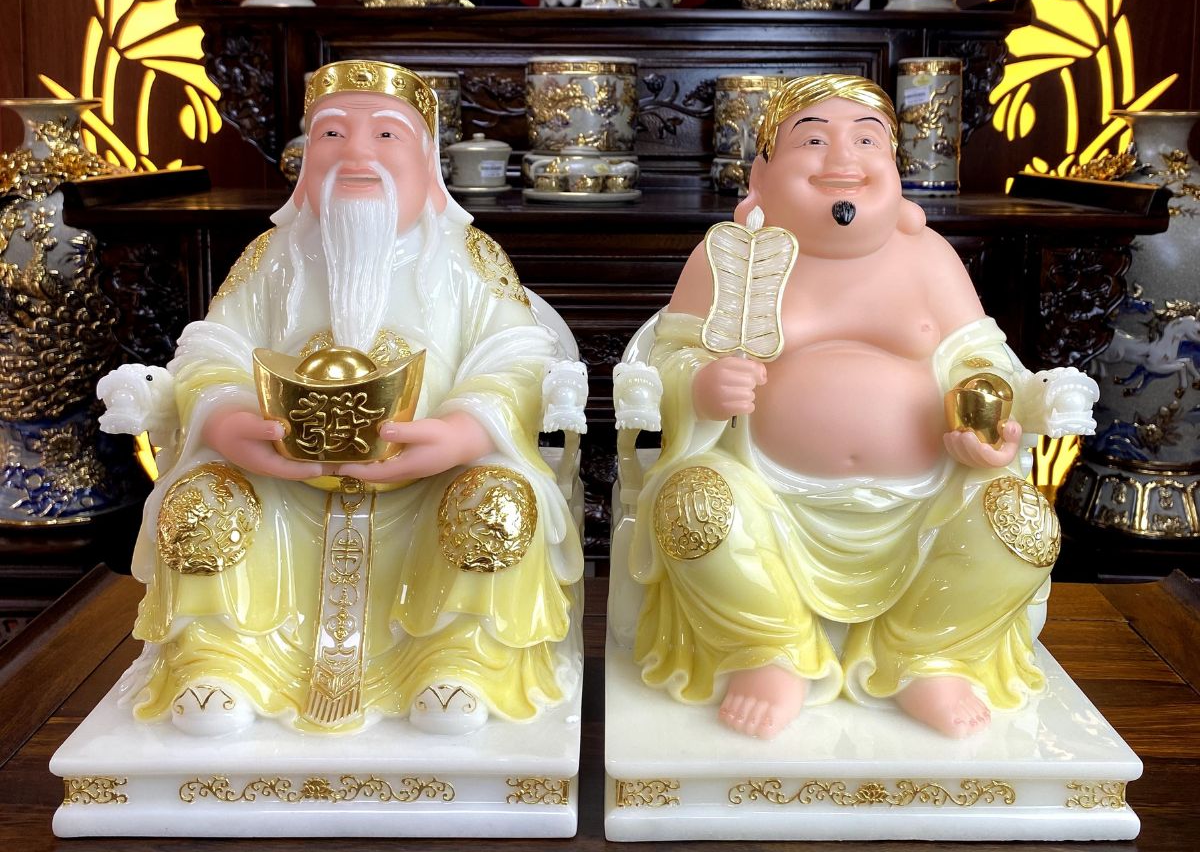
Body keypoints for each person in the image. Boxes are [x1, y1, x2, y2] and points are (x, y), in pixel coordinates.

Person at [119, 60, 583, 736]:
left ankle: (462, 660)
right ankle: (225, 660)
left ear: (428, 161)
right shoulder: (273, 256)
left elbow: (519, 355)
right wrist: (225, 418)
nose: (357, 154)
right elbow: (210, 348)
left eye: (387, 135)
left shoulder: (467, 257)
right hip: (286, 482)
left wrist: (463, 430)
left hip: (428, 485)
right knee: (200, 499)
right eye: (332, 134)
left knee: (498, 501)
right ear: (306, 157)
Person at [628, 74, 1059, 740]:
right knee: (691, 507)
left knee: (1021, 523)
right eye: (813, 141)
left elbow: (983, 362)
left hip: (928, 498)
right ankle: (769, 650)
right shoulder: (728, 262)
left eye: (867, 141)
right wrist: (701, 386)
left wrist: (988, 420)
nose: (843, 160)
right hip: (765, 493)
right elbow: (664, 363)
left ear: (897, 171)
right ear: (760, 176)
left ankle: (926, 656)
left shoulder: (929, 257)